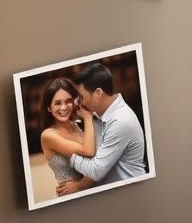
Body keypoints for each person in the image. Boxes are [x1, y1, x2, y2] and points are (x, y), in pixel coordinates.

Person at [57, 61, 146, 196]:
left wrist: (66, 152)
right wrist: (80, 185)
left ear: (98, 92)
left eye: (82, 96)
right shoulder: (98, 114)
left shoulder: (120, 122)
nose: (79, 102)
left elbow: (97, 170)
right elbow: (97, 159)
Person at [37, 76, 97, 196]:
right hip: (72, 199)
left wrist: (81, 184)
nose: (64, 107)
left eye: (68, 101)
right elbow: (89, 151)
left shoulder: (79, 126)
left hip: (94, 191)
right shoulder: (48, 135)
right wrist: (88, 117)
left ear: (75, 102)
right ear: (49, 107)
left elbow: (103, 161)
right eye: (57, 103)